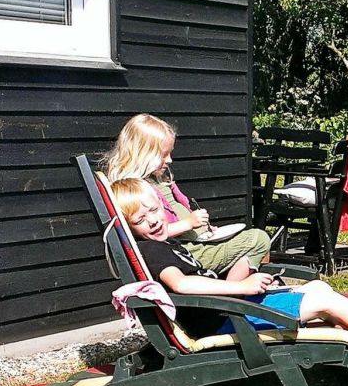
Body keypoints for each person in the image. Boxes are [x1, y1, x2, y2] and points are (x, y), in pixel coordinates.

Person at [112, 177, 348, 344]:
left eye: (154, 209)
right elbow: (182, 285)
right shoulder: (153, 250)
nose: (153, 220)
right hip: (223, 321)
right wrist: (242, 286)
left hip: (227, 311)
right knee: (323, 299)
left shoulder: (162, 244)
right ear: (130, 226)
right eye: (140, 219)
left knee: (318, 289)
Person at [102, 114, 272, 277]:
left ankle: (236, 292)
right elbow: (150, 232)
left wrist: (203, 228)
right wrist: (189, 223)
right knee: (258, 239)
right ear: (142, 154)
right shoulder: (135, 191)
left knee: (251, 239)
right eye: (163, 155)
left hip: (197, 244)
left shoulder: (156, 180)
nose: (169, 160)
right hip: (185, 253)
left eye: (170, 153)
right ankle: (229, 297)